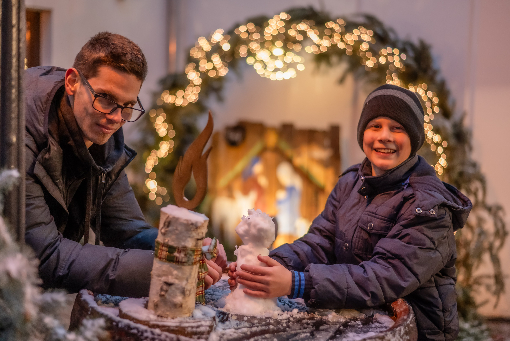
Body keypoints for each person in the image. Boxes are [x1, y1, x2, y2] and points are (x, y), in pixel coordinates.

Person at [228, 84, 472, 340]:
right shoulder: (351, 182)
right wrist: (269, 266)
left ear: (414, 137)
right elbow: (320, 242)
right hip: (360, 323)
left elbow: (384, 276)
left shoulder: (427, 205)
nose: (384, 136)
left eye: (397, 128)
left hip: (411, 331)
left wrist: (297, 283)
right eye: (375, 126)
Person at [25, 32, 226, 298]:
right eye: (105, 98)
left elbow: (126, 230)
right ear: (73, 81)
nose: (116, 118)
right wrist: (163, 270)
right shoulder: (16, 134)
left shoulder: (103, 134)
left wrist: (182, 246)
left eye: (128, 106)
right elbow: (44, 256)